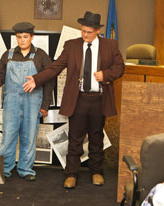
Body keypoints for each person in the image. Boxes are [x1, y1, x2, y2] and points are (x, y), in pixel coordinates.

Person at [23, 11, 125, 188]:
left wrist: (106, 74)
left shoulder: (110, 45)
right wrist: (37, 78)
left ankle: (96, 172)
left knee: (96, 137)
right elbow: (55, 67)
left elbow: (120, 67)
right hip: (78, 99)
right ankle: (71, 174)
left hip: (99, 99)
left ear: (98, 31)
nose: (85, 35)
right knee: (75, 138)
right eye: (83, 31)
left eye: (89, 32)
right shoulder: (71, 46)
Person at [0, 22, 54, 181]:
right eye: (19, 37)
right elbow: (0, 75)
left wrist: (45, 105)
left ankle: (26, 169)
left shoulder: (40, 55)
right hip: (11, 102)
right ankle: (5, 169)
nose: (22, 40)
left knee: (29, 136)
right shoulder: (8, 55)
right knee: (8, 136)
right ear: (15, 38)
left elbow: (50, 79)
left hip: (33, 103)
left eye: (25, 37)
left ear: (32, 37)